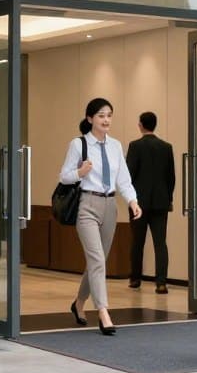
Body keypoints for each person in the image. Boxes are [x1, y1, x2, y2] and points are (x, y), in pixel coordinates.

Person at [60, 98, 142, 335]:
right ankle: (103, 312)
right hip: (87, 204)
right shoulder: (78, 144)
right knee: (96, 260)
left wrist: (133, 201)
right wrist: (80, 172)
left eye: (109, 115)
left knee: (98, 261)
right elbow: (64, 176)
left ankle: (78, 303)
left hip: (110, 205)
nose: (106, 120)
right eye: (101, 116)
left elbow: (123, 178)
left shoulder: (115, 146)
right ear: (90, 118)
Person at [126, 112, 176, 294]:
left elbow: (129, 175)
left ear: (140, 125)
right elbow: (171, 177)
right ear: (155, 125)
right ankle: (161, 283)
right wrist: (169, 198)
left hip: (138, 203)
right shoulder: (166, 147)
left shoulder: (135, 146)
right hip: (161, 203)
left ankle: (135, 278)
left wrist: (131, 198)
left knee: (137, 242)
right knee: (160, 243)